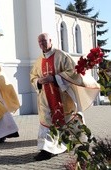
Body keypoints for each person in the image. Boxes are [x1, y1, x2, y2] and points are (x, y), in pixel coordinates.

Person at [30, 33, 100, 161]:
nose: (42, 44)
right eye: (40, 42)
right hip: (45, 97)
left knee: (69, 119)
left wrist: (54, 78)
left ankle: (75, 142)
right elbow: (33, 76)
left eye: (44, 41)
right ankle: (47, 150)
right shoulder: (38, 60)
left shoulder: (61, 55)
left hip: (63, 96)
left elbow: (73, 72)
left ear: (50, 41)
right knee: (47, 121)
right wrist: (38, 81)